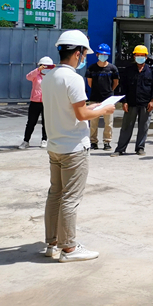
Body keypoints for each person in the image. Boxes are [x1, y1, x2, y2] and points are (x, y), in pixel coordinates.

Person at [41, 30, 116, 262]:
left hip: (55, 145)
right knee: (70, 198)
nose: (85, 58)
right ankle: (69, 248)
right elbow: (81, 114)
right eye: (84, 54)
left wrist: (94, 108)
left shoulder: (49, 77)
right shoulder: (73, 78)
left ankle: (52, 243)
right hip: (73, 148)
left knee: (55, 194)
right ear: (77, 53)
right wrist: (104, 109)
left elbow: (71, 109)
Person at [113, 45, 153, 156]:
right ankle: (120, 149)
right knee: (126, 127)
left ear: (146, 57)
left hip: (146, 103)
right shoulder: (128, 70)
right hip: (131, 103)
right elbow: (123, 87)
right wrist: (124, 101)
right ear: (134, 56)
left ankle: (140, 148)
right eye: (137, 55)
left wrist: (152, 101)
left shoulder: (151, 71)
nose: (140, 57)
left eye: (142, 55)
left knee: (144, 127)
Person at [85, 44, 118, 151]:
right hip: (95, 98)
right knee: (93, 122)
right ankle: (93, 141)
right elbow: (90, 83)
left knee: (108, 123)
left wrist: (109, 91)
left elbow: (115, 83)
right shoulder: (91, 68)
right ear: (97, 54)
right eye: (101, 54)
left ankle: (107, 142)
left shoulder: (112, 69)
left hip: (108, 99)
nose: (103, 56)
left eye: (105, 54)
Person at [19, 56, 55, 149]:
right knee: (31, 122)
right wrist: (38, 70)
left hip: (47, 102)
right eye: (44, 66)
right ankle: (26, 141)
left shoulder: (52, 76)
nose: (45, 68)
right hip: (35, 102)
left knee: (46, 122)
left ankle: (44, 139)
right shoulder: (36, 75)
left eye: (48, 66)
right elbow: (28, 77)